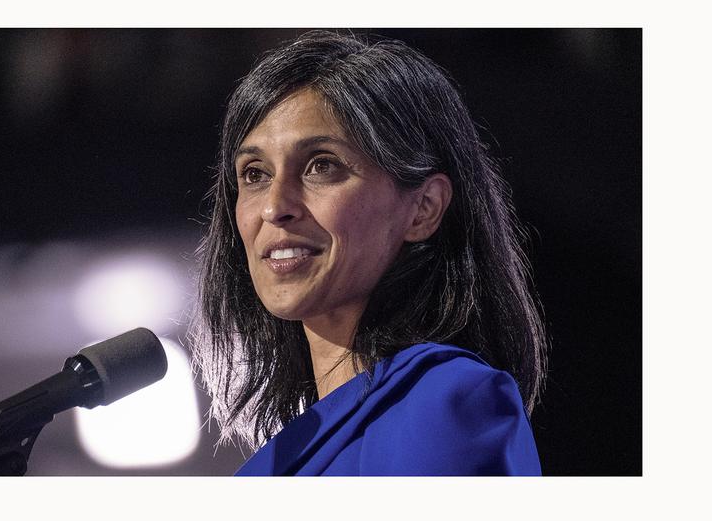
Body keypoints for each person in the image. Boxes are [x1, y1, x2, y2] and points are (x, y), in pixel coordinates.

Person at [189, 30, 547, 475]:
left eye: (322, 165)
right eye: (255, 173)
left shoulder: (448, 404)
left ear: (423, 208)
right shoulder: (274, 461)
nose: (275, 207)